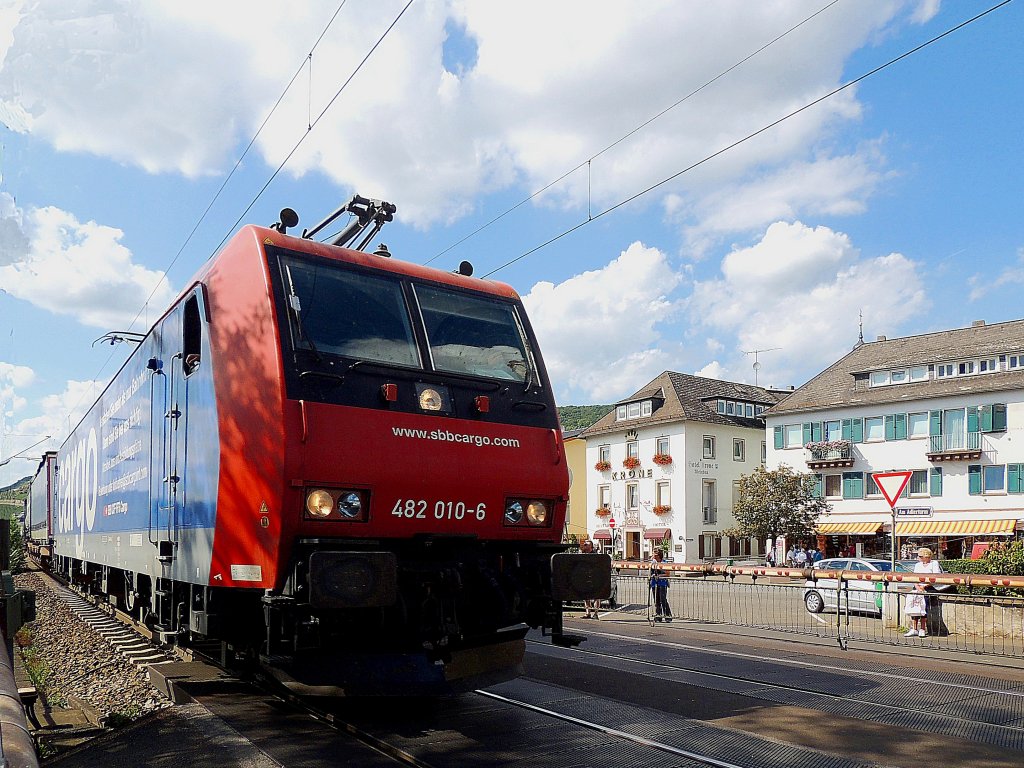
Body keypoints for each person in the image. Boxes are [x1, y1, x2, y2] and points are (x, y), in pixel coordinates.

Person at [649, 550, 672, 622]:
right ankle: (658, 616)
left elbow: (667, 574)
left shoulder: (664, 563)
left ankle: (668, 616)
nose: (652, 555)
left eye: (654, 554)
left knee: (663, 600)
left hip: (662, 583)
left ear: (658, 556)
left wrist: (659, 576)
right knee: (656, 600)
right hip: (654, 583)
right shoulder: (653, 563)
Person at [580, 540, 601, 619]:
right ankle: (588, 613)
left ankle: (596, 614)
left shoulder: (595, 555)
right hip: (585, 578)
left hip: (594, 578)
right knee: (586, 596)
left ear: (591, 546)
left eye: (587, 544)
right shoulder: (583, 554)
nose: (585, 545)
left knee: (596, 596)